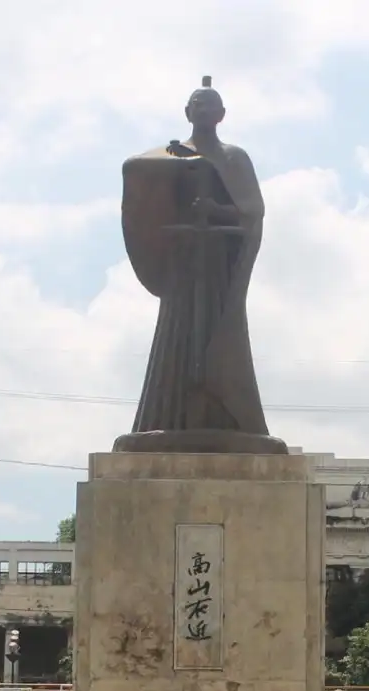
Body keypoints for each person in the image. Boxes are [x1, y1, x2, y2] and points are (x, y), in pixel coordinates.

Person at [119, 78, 280, 448]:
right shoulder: (169, 157)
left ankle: (226, 415)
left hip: (219, 267)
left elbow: (253, 209)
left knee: (219, 338)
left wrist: (217, 209)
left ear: (221, 115)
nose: (204, 111)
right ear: (188, 112)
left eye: (211, 106)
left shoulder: (233, 158)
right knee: (178, 337)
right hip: (183, 268)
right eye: (198, 104)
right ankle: (166, 417)